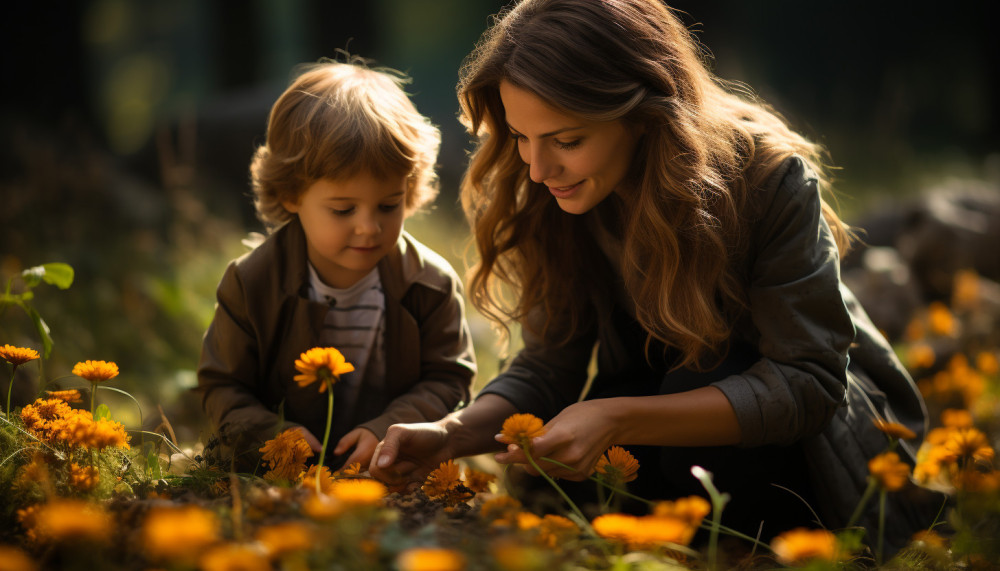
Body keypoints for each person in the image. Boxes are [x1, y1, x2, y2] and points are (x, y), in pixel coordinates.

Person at [369, 0, 943, 551]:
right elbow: (550, 367)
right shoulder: (553, 194)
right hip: (653, 421)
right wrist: (452, 434)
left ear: (643, 118)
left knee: (692, 382)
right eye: (521, 137)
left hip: (805, 453)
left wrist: (617, 418)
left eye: (567, 141)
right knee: (560, 484)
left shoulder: (768, 179)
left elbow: (810, 385)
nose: (539, 169)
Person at [196, 58, 477, 473]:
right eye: (343, 209)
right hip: (279, 475)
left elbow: (449, 378)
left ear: (411, 190)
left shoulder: (428, 284)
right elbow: (223, 384)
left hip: (391, 471)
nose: (369, 227)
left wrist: (388, 429)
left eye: (388, 205)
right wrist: (268, 434)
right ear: (292, 195)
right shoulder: (252, 282)